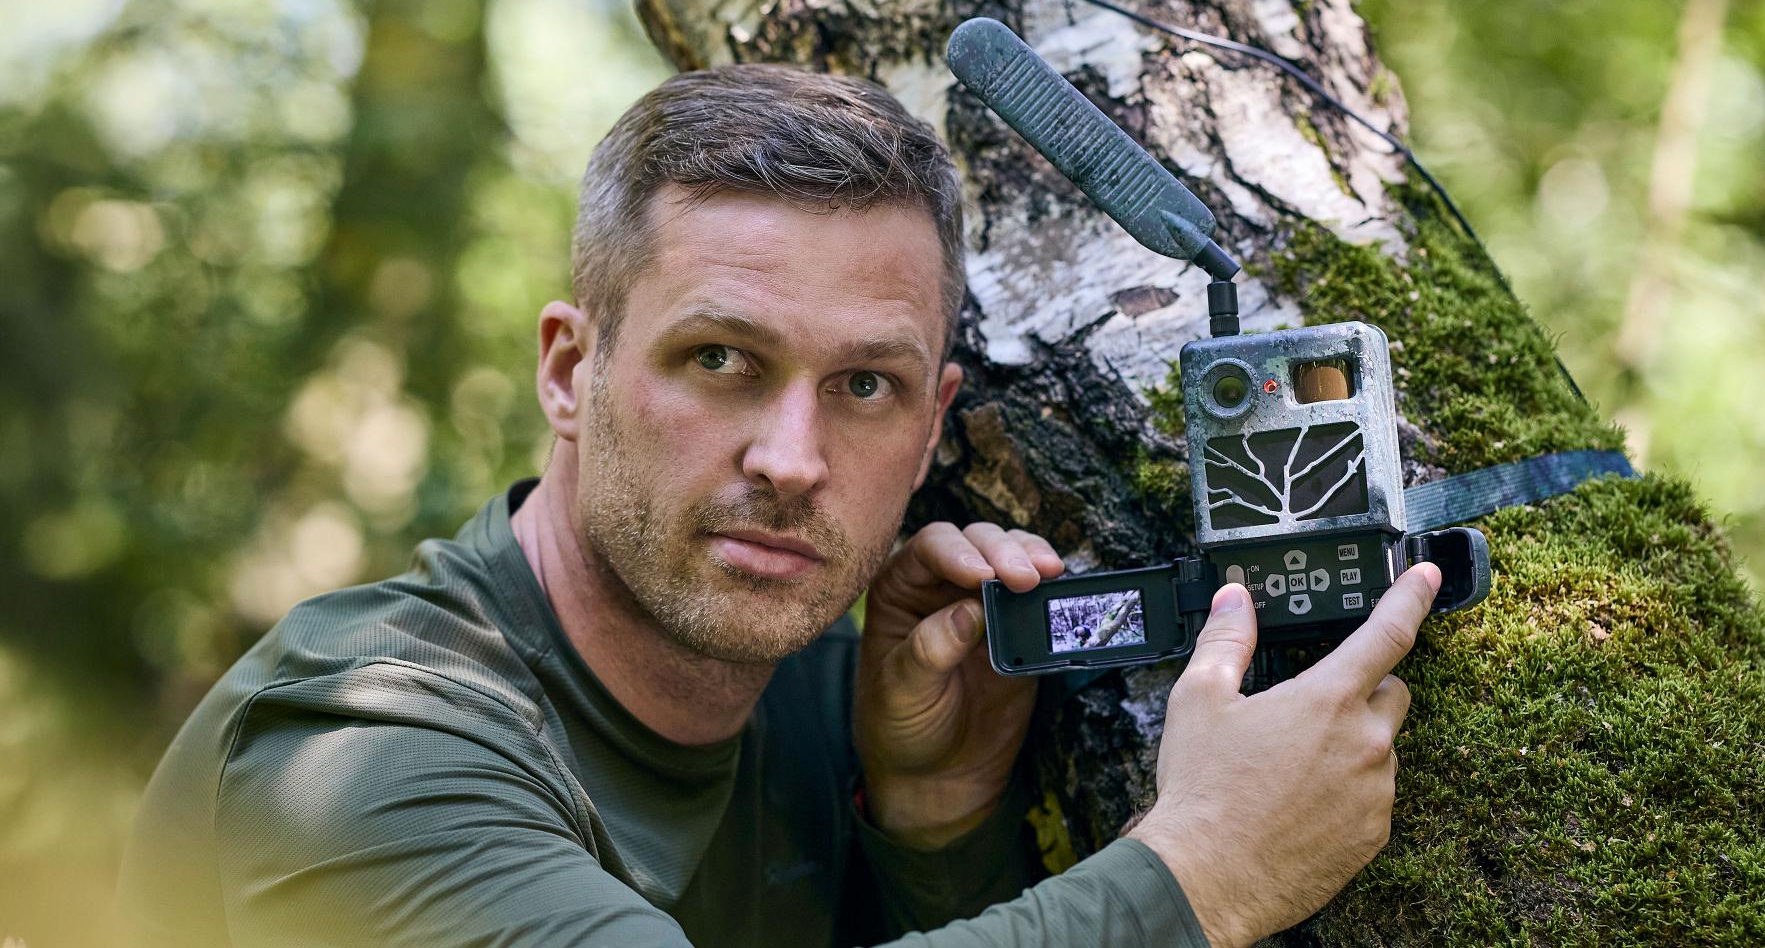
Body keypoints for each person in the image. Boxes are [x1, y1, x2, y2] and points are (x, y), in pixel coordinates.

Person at [114, 63, 1442, 948]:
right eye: (720, 361)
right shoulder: (363, 743)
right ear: (573, 371)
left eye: (864, 384)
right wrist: (1199, 873)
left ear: (934, 425)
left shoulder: (825, 687)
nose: (793, 458)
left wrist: (930, 820)